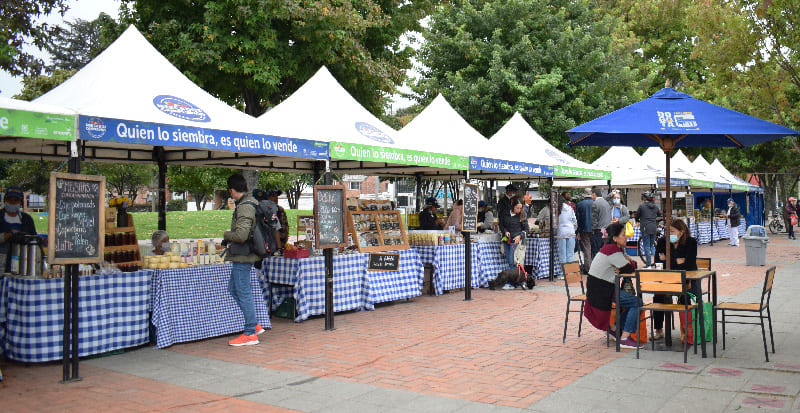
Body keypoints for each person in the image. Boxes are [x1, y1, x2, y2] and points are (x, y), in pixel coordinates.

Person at [584, 222, 643, 349]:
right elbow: (628, 268)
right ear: (615, 238)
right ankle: (625, 337)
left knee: (633, 302)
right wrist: (629, 262)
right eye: (623, 235)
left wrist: (626, 264)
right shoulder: (613, 250)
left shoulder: (613, 248)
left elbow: (626, 268)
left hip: (599, 287)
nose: (626, 237)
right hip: (603, 290)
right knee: (636, 302)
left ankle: (614, 328)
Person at [223, 174, 265, 346]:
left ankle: (250, 332)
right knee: (234, 289)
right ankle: (253, 323)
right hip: (243, 254)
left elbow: (240, 235)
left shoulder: (245, 207)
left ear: (232, 190)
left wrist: (226, 235)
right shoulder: (250, 203)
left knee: (243, 292)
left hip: (243, 255)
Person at [653, 219, 698, 340]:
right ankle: (658, 329)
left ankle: (686, 329)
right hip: (668, 279)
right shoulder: (662, 241)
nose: (669, 234)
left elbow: (689, 264)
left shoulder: (691, 242)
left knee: (684, 297)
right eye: (667, 231)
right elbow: (658, 261)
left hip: (688, 280)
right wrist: (677, 261)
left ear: (681, 232)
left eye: (672, 231)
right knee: (658, 296)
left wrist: (667, 258)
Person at [1, 186, 37, 271]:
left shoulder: (27, 219)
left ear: (20, 202)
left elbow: (33, 238)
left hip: (22, 262)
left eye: (15, 200)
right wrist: (5, 236)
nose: (12, 202)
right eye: (9, 199)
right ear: (5, 200)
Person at [499, 196, 529, 268]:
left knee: (513, 260)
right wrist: (505, 231)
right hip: (506, 239)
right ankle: (514, 277)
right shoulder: (505, 213)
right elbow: (501, 224)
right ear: (513, 206)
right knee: (509, 259)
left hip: (516, 240)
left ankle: (516, 277)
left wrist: (520, 236)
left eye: (520, 208)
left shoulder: (522, 215)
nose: (519, 210)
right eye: (517, 208)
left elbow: (526, 229)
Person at [252, 188, 281, 252]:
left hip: (255, 249)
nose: (276, 198)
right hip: (270, 248)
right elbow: (276, 230)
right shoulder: (272, 211)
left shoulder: (251, 211)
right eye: (273, 196)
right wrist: (279, 249)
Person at [636, 192, 661, 267]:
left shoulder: (641, 206)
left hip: (645, 227)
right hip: (653, 227)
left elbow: (637, 215)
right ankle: (658, 263)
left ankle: (648, 264)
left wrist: (638, 220)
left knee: (646, 246)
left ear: (644, 198)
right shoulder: (655, 207)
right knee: (652, 245)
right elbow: (659, 215)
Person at [556, 194, 578, 265]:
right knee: (570, 254)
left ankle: (563, 273)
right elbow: (574, 221)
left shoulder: (557, 210)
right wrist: (574, 229)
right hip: (571, 231)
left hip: (561, 232)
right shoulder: (569, 208)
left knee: (562, 255)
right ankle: (570, 273)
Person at [576, 188, 594, 272]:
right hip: (595, 229)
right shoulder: (595, 203)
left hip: (584, 229)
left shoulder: (580, 204)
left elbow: (578, 219)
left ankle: (588, 267)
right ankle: (594, 267)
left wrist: (578, 230)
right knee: (594, 248)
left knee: (586, 248)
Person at [591, 187, 611, 258]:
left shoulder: (595, 203)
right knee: (605, 250)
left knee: (596, 250)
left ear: (594, 194)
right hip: (607, 229)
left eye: (591, 195)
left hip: (599, 230)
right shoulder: (606, 203)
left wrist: (592, 230)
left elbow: (594, 219)